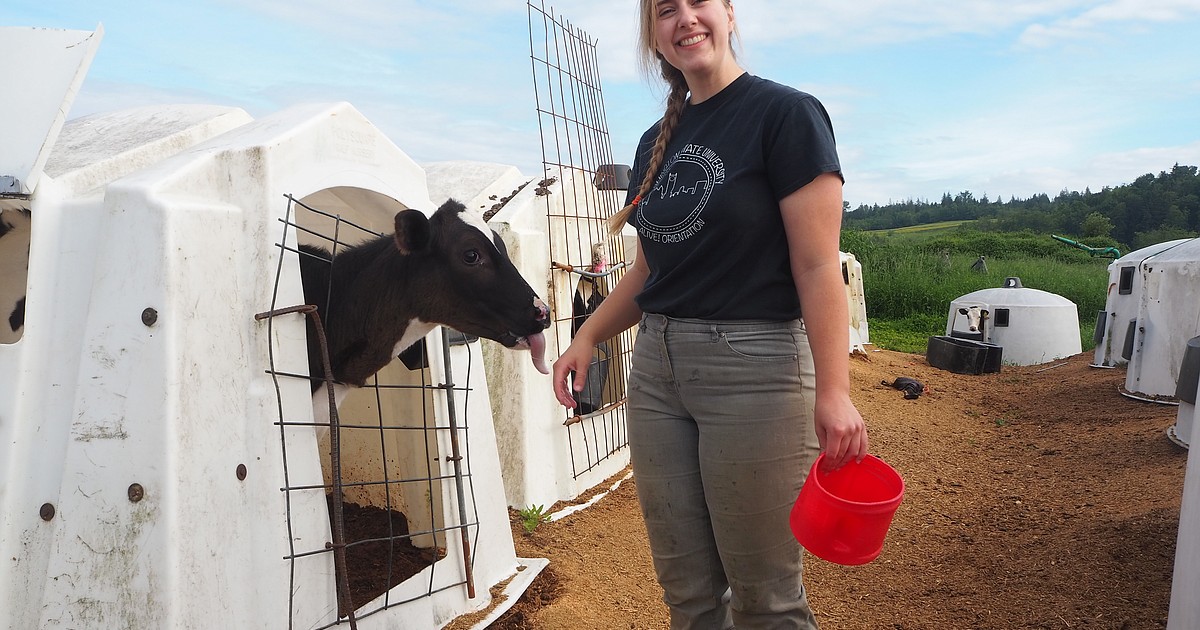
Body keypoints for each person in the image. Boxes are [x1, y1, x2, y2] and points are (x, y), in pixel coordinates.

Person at [552, 0, 870, 628]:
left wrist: (835, 391)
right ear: (654, 35)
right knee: (689, 597)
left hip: (756, 370)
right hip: (656, 374)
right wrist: (587, 334)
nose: (685, 19)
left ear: (729, 13)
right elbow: (650, 273)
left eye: (699, 3)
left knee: (766, 600)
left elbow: (817, 266)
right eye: (665, 10)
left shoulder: (785, 116)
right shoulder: (655, 141)